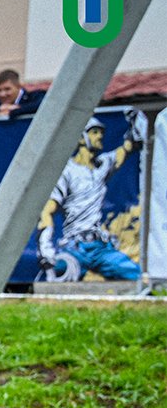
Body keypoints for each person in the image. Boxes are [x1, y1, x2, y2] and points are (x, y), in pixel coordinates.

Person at [37, 112, 146, 281]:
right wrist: (46, 251)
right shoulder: (67, 171)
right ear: (81, 138)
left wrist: (136, 121)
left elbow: (127, 147)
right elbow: (47, 211)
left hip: (101, 248)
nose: (100, 136)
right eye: (94, 132)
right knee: (57, 275)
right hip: (75, 249)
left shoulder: (103, 165)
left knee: (138, 277)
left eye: (101, 132)